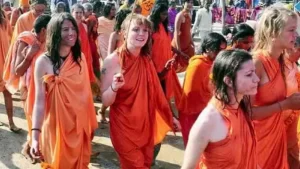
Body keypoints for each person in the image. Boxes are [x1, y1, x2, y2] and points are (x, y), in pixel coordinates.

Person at [101, 13, 176, 169]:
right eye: (136, 29)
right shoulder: (112, 62)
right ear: (124, 33)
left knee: (146, 163)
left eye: (145, 30)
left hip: (145, 125)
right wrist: (114, 87)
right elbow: (105, 101)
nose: (141, 34)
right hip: (124, 128)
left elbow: (156, 94)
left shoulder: (145, 59)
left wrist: (170, 117)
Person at [30, 13, 98, 168]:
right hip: (55, 127)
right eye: (65, 29)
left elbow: (85, 95)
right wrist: (35, 137)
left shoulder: (80, 58)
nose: (71, 33)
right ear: (55, 32)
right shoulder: (43, 62)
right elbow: (39, 102)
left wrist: (88, 123)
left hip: (77, 127)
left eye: (73, 28)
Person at [181, 49, 259, 169]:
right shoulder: (208, 120)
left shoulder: (241, 108)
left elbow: (249, 157)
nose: (256, 79)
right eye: (249, 74)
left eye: (254, 72)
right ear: (228, 81)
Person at [251, 7, 300, 169]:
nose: (296, 36)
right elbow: (245, 113)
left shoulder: (279, 60)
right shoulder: (256, 63)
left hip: (276, 137)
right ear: (273, 32)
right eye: (292, 30)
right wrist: (285, 105)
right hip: (257, 143)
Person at [4, 14, 51, 163]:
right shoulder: (26, 40)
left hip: (46, 88)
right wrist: (30, 55)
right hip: (29, 88)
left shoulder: (47, 42)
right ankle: (30, 148)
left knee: (45, 120)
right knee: (34, 120)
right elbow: (18, 71)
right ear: (44, 30)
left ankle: (36, 147)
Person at [178, 32, 227, 146]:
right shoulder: (197, 65)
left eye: (222, 51)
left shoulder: (212, 63)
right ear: (208, 48)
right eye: (218, 50)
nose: (220, 54)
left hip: (205, 111)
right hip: (192, 114)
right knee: (195, 148)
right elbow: (190, 93)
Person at [150, 3, 182, 166]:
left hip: (164, 69)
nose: (163, 16)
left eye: (165, 14)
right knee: (155, 102)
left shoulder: (163, 27)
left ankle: (160, 128)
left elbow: (166, 44)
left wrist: (178, 52)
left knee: (163, 100)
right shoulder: (151, 27)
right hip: (153, 70)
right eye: (161, 14)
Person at [0, 7, 19, 132]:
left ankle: (11, 122)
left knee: (7, 93)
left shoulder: (3, 18)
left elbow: (11, 36)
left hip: (4, 61)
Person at [283, 37, 300, 169]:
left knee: (292, 150)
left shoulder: (294, 65)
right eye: (299, 50)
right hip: (278, 116)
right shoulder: (279, 64)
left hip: (292, 116)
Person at [72, 4, 95, 83]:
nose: (79, 15)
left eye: (81, 12)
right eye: (76, 12)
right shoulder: (69, 26)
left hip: (85, 55)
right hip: (73, 55)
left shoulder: (85, 26)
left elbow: (86, 43)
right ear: (72, 13)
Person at [171, 0, 195, 72]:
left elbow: (188, 31)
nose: (190, 4)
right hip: (179, 46)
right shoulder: (179, 15)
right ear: (183, 3)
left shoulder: (190, 15)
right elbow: (176, 32)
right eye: (188, 2)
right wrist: (178, 49)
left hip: (187, 45)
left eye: (191, 3)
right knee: (175, 69)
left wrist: (192, 42)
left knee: (188, 67)